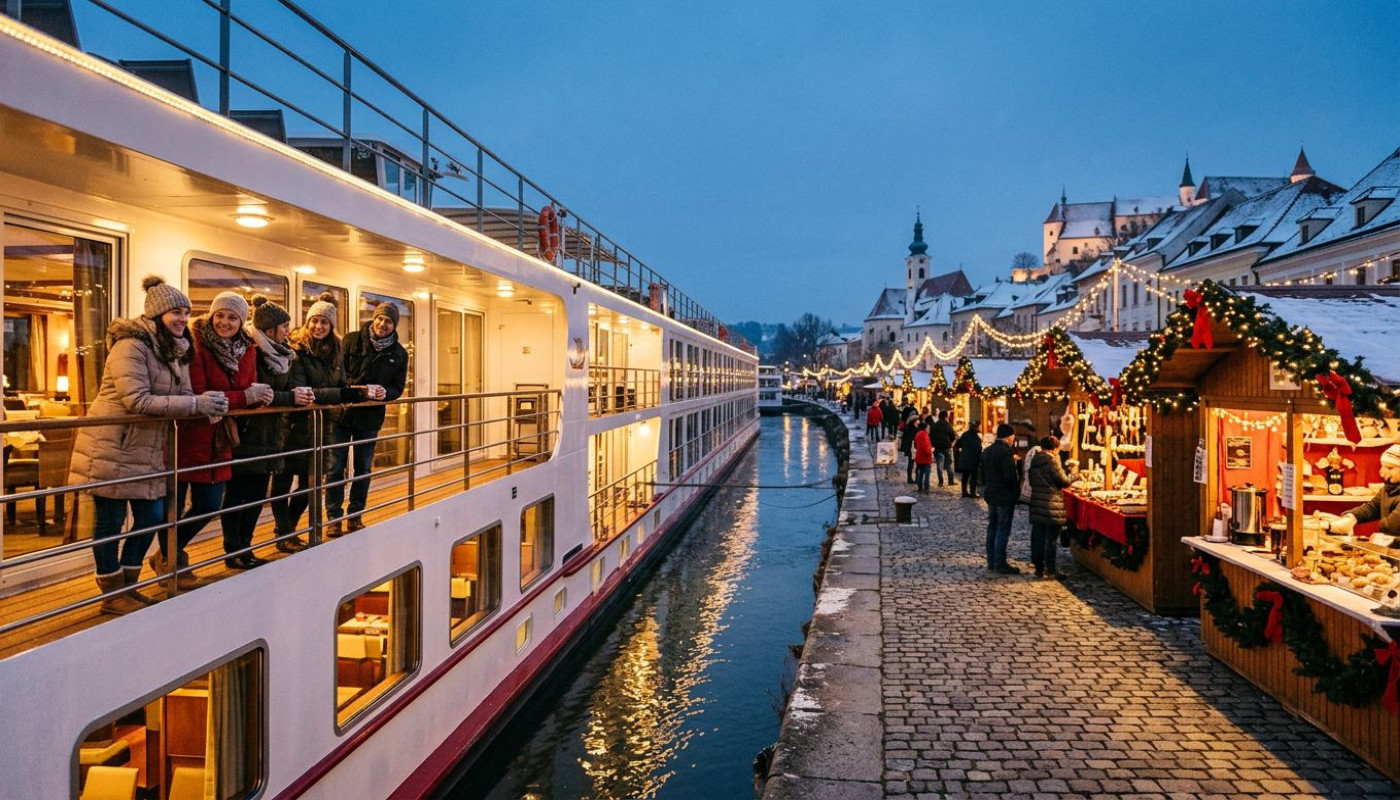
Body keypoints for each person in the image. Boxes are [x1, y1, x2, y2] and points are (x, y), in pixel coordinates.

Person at [69, 276, 228, 614]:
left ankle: (131, 583)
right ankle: (111, 593)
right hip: (114, 443)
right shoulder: (130, 345)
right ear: (156, 314)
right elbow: (137, 400)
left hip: (150, 448)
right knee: (110, 520)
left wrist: (207, 404)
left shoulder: (177, 349)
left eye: (186, 312)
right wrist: (197, 405)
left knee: (153, 517)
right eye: (175, 312)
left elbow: (183, 396)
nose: (183, 319)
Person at [154, 292, 270, 580]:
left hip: (221, 437)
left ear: (242, 322)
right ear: (211, 315)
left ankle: (168, 554)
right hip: (189, 433)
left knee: (209, 503)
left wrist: (256, 396)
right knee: (175, 504)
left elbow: (245, 387)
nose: (225, 322)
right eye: (220, 315)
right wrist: (246, 396)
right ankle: (172, 560)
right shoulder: (196, 344)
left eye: (232, 317)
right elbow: (200, 391)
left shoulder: (246, 348)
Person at [220, 296, 315, 564]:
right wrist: (290, 398)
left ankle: (245, 548)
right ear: (270, 329)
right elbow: (260, 393)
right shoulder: (251, 352)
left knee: (256, 495)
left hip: (271, 435)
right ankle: (234, 550)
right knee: (238, 495)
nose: (288, 331)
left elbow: (277, 392)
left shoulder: (281, 353)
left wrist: (295, 394)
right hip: (248, 434)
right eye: (284, 326)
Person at [271, 294, 364, 544]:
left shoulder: (336, 350)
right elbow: (302, 389)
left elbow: (343, 383)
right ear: (307, 322)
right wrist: (340, 394)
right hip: (291, 426)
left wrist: (357, 392)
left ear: (331, 326)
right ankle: (284, 532)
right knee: (283, 480)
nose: (318, 326)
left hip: (322, 426)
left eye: (324, 322)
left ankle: (287, 529)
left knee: (310, 484)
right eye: (314, 320)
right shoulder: (297, 350)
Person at [326, 302, 408, 534]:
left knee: (363, 469)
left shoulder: (399, 354)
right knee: (334, 468)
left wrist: (385, 394)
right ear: (374, 319)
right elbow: (336, 373)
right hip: (341, 413)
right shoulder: (350, 340)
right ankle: (333, 518)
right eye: (380, 319)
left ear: (394, 325)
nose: (383, 324)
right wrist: (355, 388)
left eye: (389, 321)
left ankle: (355, 515)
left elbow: (397, 387)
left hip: (370, 418)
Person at [1321, 444, 1400, 536]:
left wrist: (1386, 540)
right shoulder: (1388, 489)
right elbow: (1371, 508)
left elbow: (1391, 526)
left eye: (1390, 468)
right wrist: (1351, 518)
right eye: (1382, 466)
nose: (1382, 473)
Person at [1027, 436, 1073, 579]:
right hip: (1052, 505)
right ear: (1054, 448)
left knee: (1038, 538)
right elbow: (1063, 481)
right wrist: (1074, 475)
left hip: (1037, 504)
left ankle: (1039, 568)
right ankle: (1051, 570)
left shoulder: (1035, 460)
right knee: (1051, 540)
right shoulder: (1052, 461)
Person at [982, 422, 1021, 574]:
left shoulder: (988, 451)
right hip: (1004, 496)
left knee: (992, 527)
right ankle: (1000, 562)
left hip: (991, 494)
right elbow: (1009, 477)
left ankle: (991, 561)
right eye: (1013, 437)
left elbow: (983, 474)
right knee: (1002, 529)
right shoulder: (1005, 453)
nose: (1013, 439)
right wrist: (1016, 493)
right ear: (1009, 436)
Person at [929, 408, 958, 488]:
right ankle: (950, 480)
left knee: (939, 465)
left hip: (938, 448)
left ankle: (941, 481)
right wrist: (950, 442)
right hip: (947, 447)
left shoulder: (935, 425)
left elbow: (931, 436)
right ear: (946, 416)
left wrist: (934, 444)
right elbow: (952, 436)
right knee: (949, 464)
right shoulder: (948, 425)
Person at [955, 421, 983, 498]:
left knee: (965, 476)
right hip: (973, 460)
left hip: (964, 459)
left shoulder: (964, 435)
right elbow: (978, 449)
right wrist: (980, 460)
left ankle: (964, 492)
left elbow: (958, 444)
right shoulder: (976, 438)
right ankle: (972, 492)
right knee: (973, 476)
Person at [913, 420, 934, 493]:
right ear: (925, 428)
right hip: (925, 457)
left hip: (919, 456)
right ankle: (926, 486)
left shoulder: (918, 434)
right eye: (928, 428)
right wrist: (930, 452)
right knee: (927, 473)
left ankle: (920, 486)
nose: (929, 429)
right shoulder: (924, 435)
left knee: (921, 472)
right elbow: (925, 446)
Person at [899, 409, 918, 483]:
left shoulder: (917, 429)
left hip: (916, 448)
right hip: (911, 449)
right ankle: (909, 478)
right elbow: (905, 440)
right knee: (911, 463)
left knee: (916, 464)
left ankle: (916, 478)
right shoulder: (910, 429)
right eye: (916, 421)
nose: (918, 422)